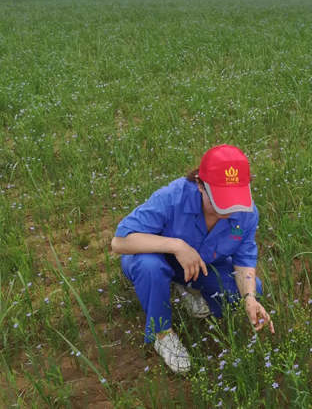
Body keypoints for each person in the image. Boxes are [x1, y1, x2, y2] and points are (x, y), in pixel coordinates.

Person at [111, 144, 274, 373]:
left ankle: (188, 288)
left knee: (250, 288)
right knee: (150, 267)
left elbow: (244, 259)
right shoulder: (172, 197)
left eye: (233, 199)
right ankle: (162, 334)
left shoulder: (246, 212)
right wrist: (176, 246)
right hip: (154, 258)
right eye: (220, 200)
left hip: (201, 266)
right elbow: (119, 242)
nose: (228, 209)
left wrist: (249, 297)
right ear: (200, 184)